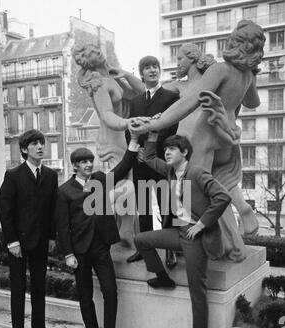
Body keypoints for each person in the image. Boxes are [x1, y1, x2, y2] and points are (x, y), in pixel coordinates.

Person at [130, 20, 266, 262]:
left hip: (201, 136)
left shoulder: (221, 70)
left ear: (235, 43)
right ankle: (235, 235)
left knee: (199, 196)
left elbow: (188, 103)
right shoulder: (246, 76)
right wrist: (253, 74)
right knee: (218, 187)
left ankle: (219, 247)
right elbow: (253, 103)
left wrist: (153, 124)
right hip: (225, 138)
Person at [134, 134, 231, 328]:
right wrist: (153, 135)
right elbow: (148, 156)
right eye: (166, 149)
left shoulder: (197, 173)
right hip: (178, 231)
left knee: (197, 291)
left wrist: (201, 224)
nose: (167, 152)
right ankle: (163, 277)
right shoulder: (169, 171)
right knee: (141, 240)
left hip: (195, 236)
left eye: (172, 149)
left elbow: (223, 197)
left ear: (185, 152)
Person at [55, 138, 139, 328]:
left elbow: (121, 170)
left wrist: (134, 144)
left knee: (110, 291)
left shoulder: (100, 179)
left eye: (90, 161)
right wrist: (68, 254)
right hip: (79, 251)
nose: (89, 165)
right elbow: (62, 227)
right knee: (85, 296)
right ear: (75, 166)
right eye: (83, 162)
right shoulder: (64, 191)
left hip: (101, 247)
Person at [73, 43, 145, 249]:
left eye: (98, 50)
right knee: (127, 185)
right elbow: (106, 115)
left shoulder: (112, 78)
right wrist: (128, 122)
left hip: (125, 136)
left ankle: (125, 228)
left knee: (131, 184)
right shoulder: (99, 84)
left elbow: (142, 93)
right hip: (114, 139)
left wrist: (125, 75)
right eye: (94, 53)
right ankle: (117, 226)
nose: (99, 53)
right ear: (89, 62)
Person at [0, 130, 58, 328]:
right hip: (19, 245)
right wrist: (12, 241)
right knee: (18, 291)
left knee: (39, 289)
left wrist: (52, 237)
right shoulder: (13, 175)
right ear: (24, 150)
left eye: (41, 143)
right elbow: (6, 211)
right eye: (34, 144)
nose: (40, 147)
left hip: (41, 242)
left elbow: (53, 210)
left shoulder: (51, 176)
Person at [126, 56, 179, 268]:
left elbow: (170, 127)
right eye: (147, 67)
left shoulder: (171, 97)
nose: (152, 70)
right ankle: (143, 249)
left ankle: (170, 250)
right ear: (142, 74)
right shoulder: (135, 101)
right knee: (144, 207)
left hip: (160, 159)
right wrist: (136, 149)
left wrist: (151, 150)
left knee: (167, 205)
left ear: (160, 71)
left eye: (155, 67)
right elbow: (129, 129)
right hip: (139, 161)